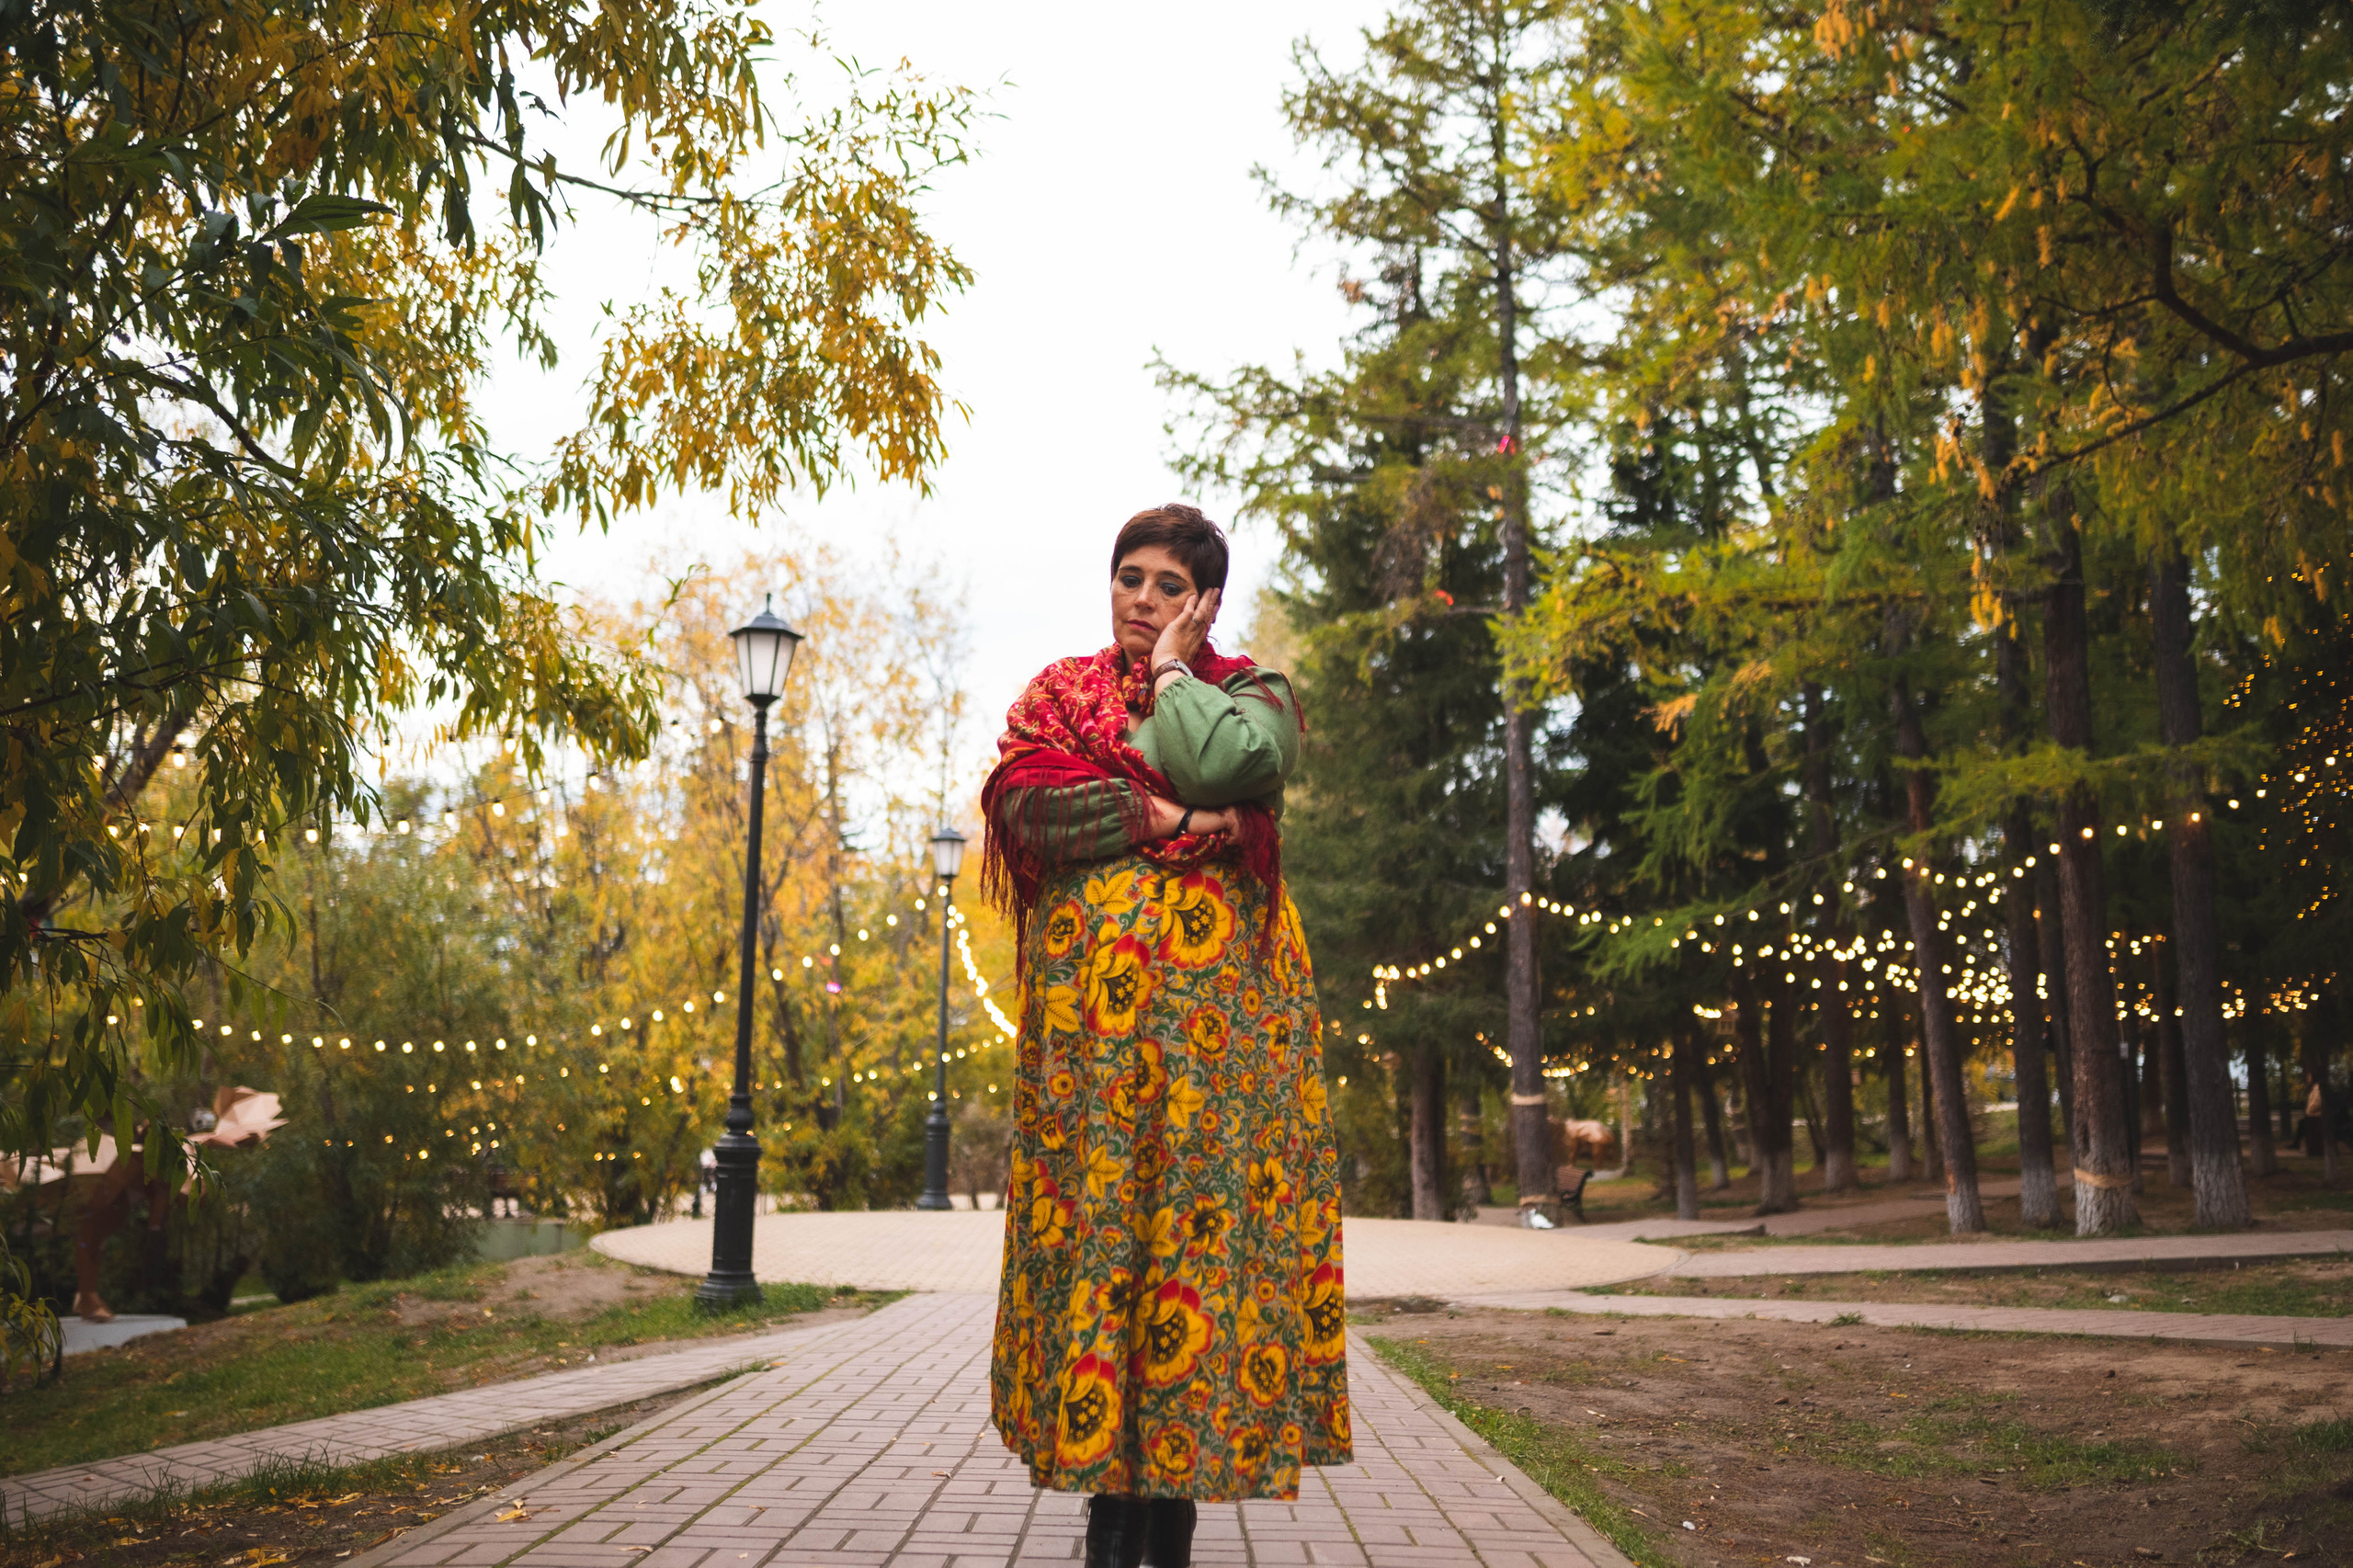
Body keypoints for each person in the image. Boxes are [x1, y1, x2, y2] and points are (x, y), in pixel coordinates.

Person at [982, 505, 1348, 1568]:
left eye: (1167, 585)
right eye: (1128, 577)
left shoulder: (1252, 692)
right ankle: (1110, 1505)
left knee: (1195, 1238)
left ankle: (1172, 1505)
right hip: (1090, 1049)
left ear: (1204, 602)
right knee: (1104, 1234)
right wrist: (1169, 818)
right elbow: (1026, 807)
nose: (1141, 598)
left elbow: (1235, 764)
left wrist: (1176, 678)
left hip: (1220, 1046)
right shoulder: (1058, 693)